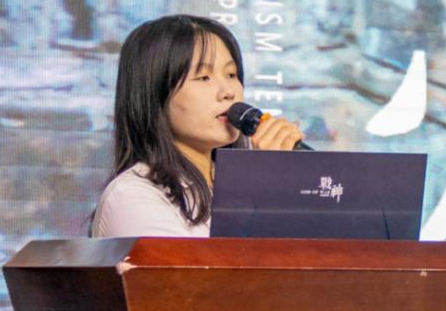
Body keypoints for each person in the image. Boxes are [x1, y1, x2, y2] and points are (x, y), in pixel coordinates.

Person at [91, 15, 305, 237]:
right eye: (203, 77)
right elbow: (235, 259)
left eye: (231, 74)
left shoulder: (233, 186)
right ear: (154, 94)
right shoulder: (133, 195)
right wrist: (264, 186)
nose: (228, 92)